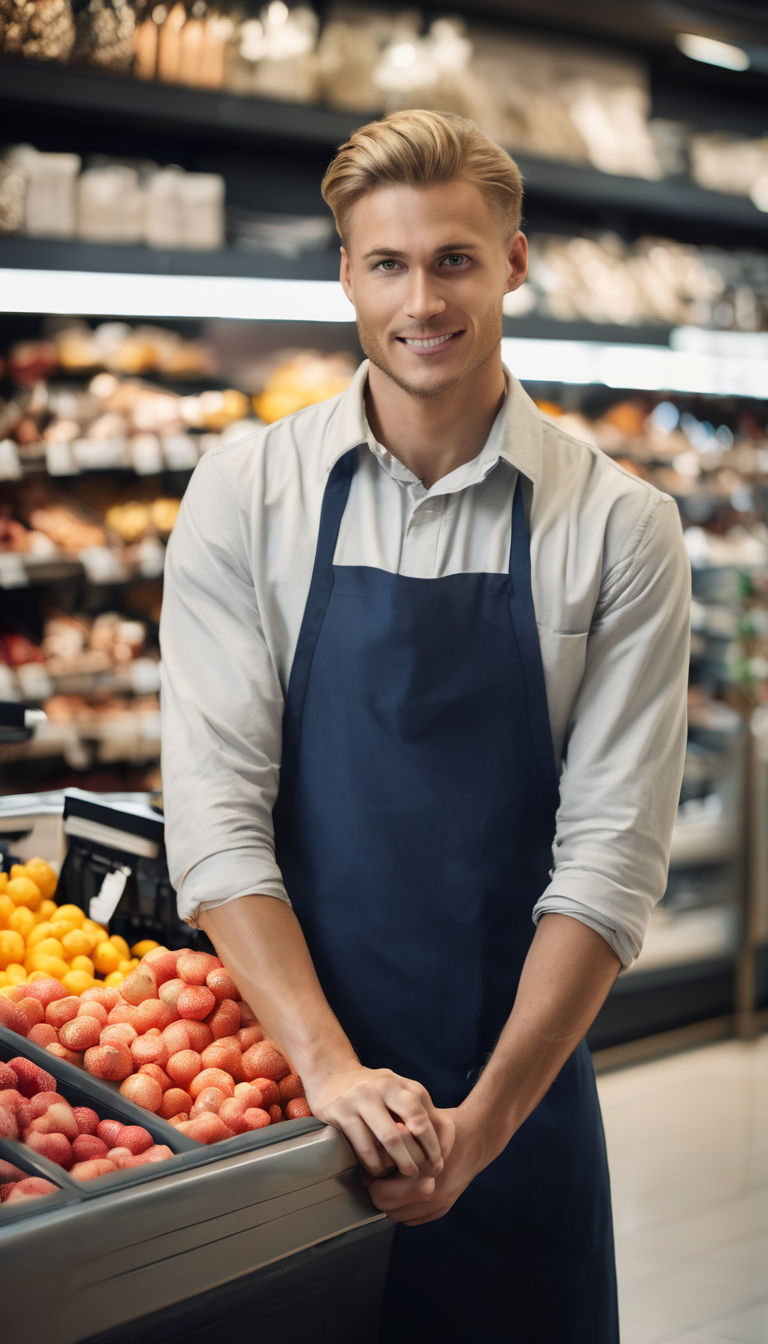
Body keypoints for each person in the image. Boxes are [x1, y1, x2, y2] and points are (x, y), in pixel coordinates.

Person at [160, 108, 691, 1342]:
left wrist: (481, 1129)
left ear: (513, 260)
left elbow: (610, 862)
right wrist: (330, 1071)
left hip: (520, 1088)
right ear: (345, 272)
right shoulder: (248, 493)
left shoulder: (621, 528)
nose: (421, 301)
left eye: (454, 259)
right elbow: (218, 817)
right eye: (387, 264)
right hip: (281, 1075)